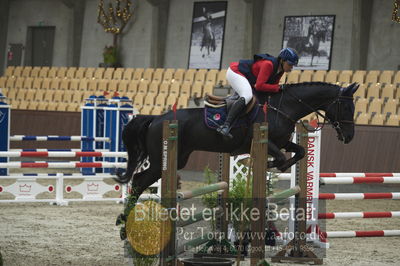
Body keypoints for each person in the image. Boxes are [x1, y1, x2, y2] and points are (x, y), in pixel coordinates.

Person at [216, 47, 299, 138]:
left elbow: (271, 88)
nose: (291, 67)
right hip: (235, 72)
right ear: (282, 60)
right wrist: (279, 87)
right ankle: (225, 125)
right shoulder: (268, 64)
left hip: (248, 78)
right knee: (247, 96)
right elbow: (259, 86)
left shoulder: (280, 70)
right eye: (290, 64)